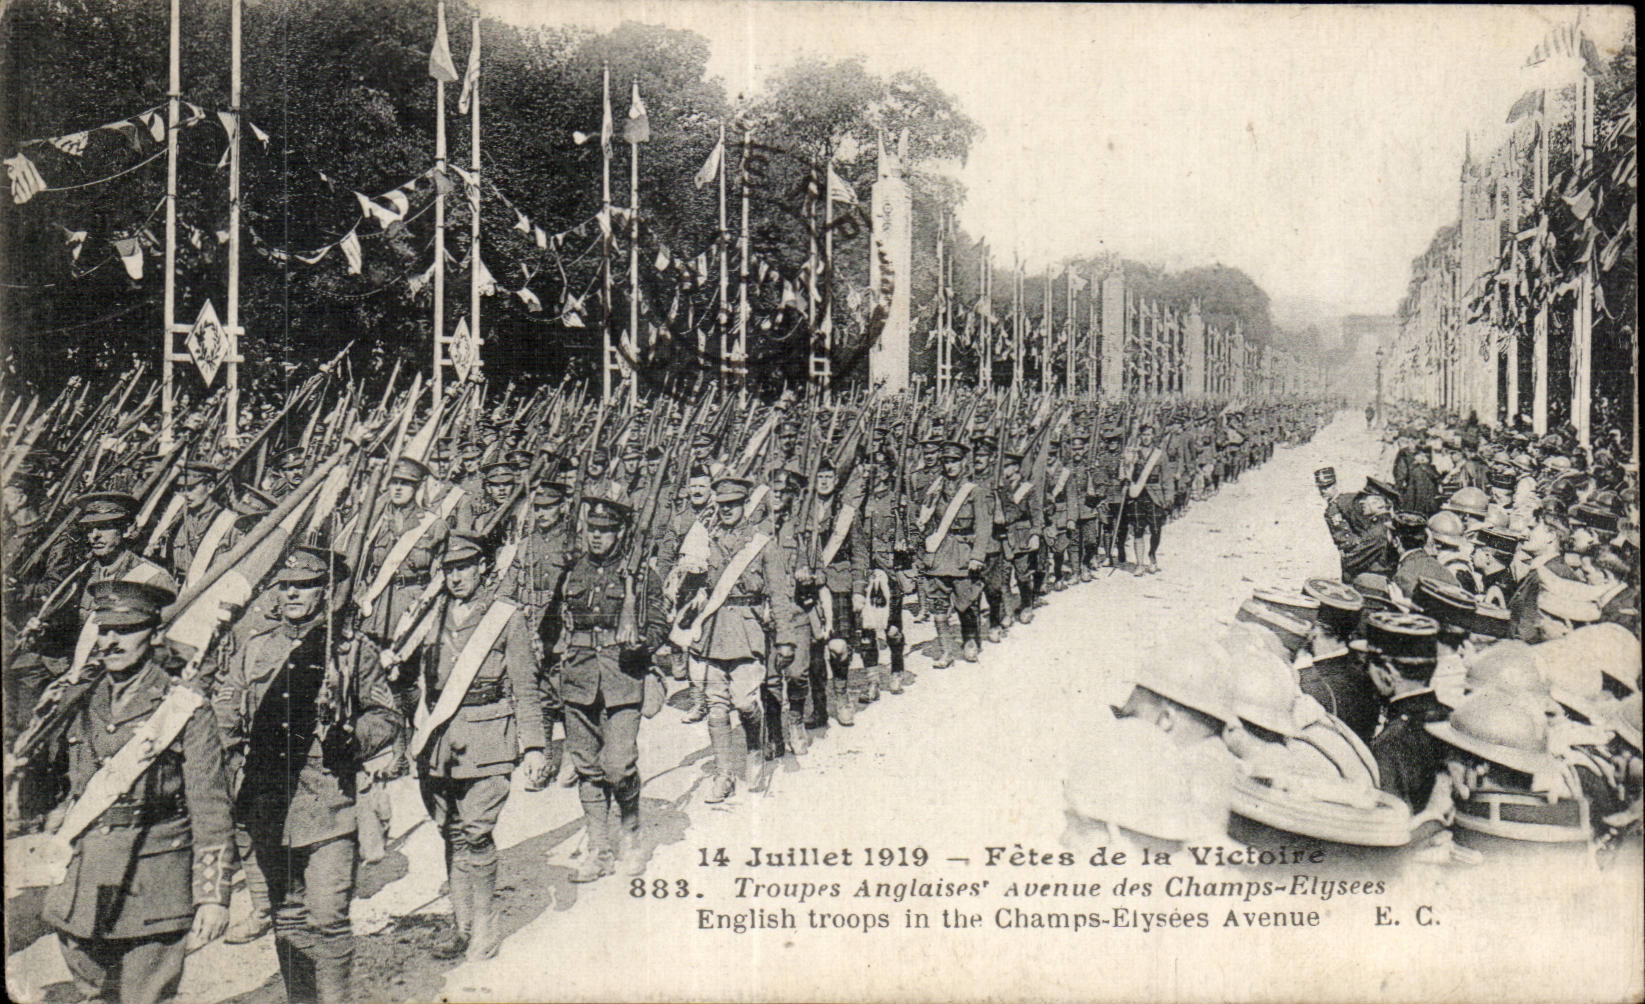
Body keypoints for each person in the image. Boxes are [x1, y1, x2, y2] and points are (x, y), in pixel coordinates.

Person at [213, 547, 401, 1002]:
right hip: (268, 801)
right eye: (287, 586)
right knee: (288, 917)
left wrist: (353, 737)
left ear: (325, 592)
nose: (294, 593)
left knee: (328, 916)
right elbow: (223, 709)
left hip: (328, 801)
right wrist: (236, 759)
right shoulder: (255, 648)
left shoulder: (352, 650)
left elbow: (386, 715)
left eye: (306, 585)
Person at [39, 580, 233, 1004]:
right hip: (84, 883)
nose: (111, 642)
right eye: (104, 630)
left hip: (154, 882)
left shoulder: (183, 709)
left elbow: (211, 810)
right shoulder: (81, 700)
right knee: (94, 996)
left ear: (154, 634)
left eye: (124, 630)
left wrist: (212, 896)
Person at [402, 532, 550, 962]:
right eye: (448, 569)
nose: (456, 577)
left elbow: (525, 685)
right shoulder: (431, 613)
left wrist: (535, 746)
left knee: (477, 831)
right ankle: (461, 924)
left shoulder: (504, 616)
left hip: (489, 736)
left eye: (464, 567)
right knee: (449, 831)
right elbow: (409, 676)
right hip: (439, 737)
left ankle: (485, 925)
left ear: (482, 567)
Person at [544, 497, 667, 882]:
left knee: (617, 765)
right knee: (586, 768)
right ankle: (599, 849)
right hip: (578, 678)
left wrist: (642, 643)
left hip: (622, 678)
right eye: (591, 530)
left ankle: (630, 835)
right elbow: (550, 625)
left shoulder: (641, 576)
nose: (596, 537)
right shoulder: (571, 570)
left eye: (605, 531)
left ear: (620, 533)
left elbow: (660, 624)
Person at [675, 477, 805, 803]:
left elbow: (778, 594)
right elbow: (693, 584)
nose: (727, 510)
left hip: (748, 632)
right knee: (717, 708)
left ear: (744, 505)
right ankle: (723, 774)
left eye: (733, 504)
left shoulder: (762, 543)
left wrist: (786, 638)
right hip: (714, 631)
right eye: (721, 505)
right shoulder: (707, 539)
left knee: (746, 702)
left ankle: (755, 749)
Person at [918, 441, 991, 666]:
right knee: (938, 603)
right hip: (940, 552)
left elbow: (983, 525)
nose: (949, 466)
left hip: (963, 551)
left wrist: (978, 555)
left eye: (954, 461)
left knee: (966, 600)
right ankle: (947, 650)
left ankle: (970, 641)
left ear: (963, 463)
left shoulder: (974, 490)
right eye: (946, 461)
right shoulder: (935, 489)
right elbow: (926, 520)